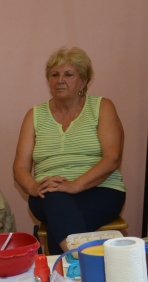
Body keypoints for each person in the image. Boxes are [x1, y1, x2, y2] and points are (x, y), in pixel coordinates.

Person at [13, 47, 126, 255]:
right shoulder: (35, 115)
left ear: (83, 81)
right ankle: (84, 264)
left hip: (101, 190)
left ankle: (69, 271)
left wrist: (74, 185)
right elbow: (20, 166)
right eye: (54, 75)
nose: (60, 80)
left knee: (60, 220)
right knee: (56, 199)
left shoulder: (102, 107)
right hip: (46, 193)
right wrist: (34, 186)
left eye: (68, 74)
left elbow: (113, 158)